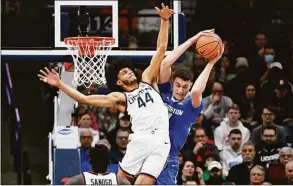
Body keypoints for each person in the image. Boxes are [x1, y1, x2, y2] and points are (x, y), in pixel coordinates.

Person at [38, 4, 174, 185]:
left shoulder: (148, 79)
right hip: (141, 138)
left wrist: (164, 21)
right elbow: (84, 99)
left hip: (163, 140)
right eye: (124, 72)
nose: (130, 72)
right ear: (118, 82)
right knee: (122, 180)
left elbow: (161, 49)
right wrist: (60, 83)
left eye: (129, 70)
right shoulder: (120, 98)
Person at [155, 29, 224, 185]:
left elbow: (197, 91)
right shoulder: (164, 92)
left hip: (168, 157)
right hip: (149, 152)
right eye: (178, 85)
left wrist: (211, 63)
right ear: (173, 83)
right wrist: (193, 40)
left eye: (185, 87)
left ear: (190, 85)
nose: (180, 90)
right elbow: (165, 63)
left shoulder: (190, 106)